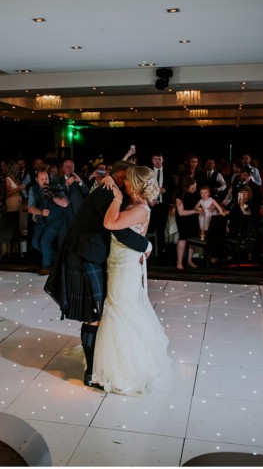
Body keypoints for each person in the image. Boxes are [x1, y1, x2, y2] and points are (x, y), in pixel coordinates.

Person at [44, 160, 151, 389]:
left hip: (95, 255)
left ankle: (98, 366)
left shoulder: (115, 191)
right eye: (126, 178)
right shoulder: (108, 193)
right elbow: (120, 232)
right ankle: (91, 371)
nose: (128, 182)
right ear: (121, 175)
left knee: (99, 313)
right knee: (93, 315)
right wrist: (147, 246)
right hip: (84, 255)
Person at [92, 165, 172, 395]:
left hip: (125, 267)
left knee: (120, 309)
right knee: (120, 307)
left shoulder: (139, 210)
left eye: (126, 181)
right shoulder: (137, 206)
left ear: (135, 184)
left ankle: (124, 368)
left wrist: (116, 198)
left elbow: (110, 224)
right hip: (120, 262)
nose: (123, 183)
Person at [27, 170, 69, 275]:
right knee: (35, 243)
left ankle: (47, 267)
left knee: (45, 241)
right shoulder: (33, 189)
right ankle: (56, 259)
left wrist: (52, 196)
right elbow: (30, 208)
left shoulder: (56, 187)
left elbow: (65, 203)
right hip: (41, 221)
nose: (45, 181)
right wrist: (40, 212)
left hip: (56, 220)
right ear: (37, 180)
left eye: (46, 179)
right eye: (42, 179)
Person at [174, 175, 201, 269]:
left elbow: (199, 204)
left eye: (195, 187)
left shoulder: (196, 194)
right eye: (193, 187)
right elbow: (181, 212)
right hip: (183, 220)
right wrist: (195, 211)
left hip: (193, 220)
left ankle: (189, 260)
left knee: (192, 240)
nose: (195, 189)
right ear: (186, 187)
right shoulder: (179, 194)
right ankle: (179, 262)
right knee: (183, 238)